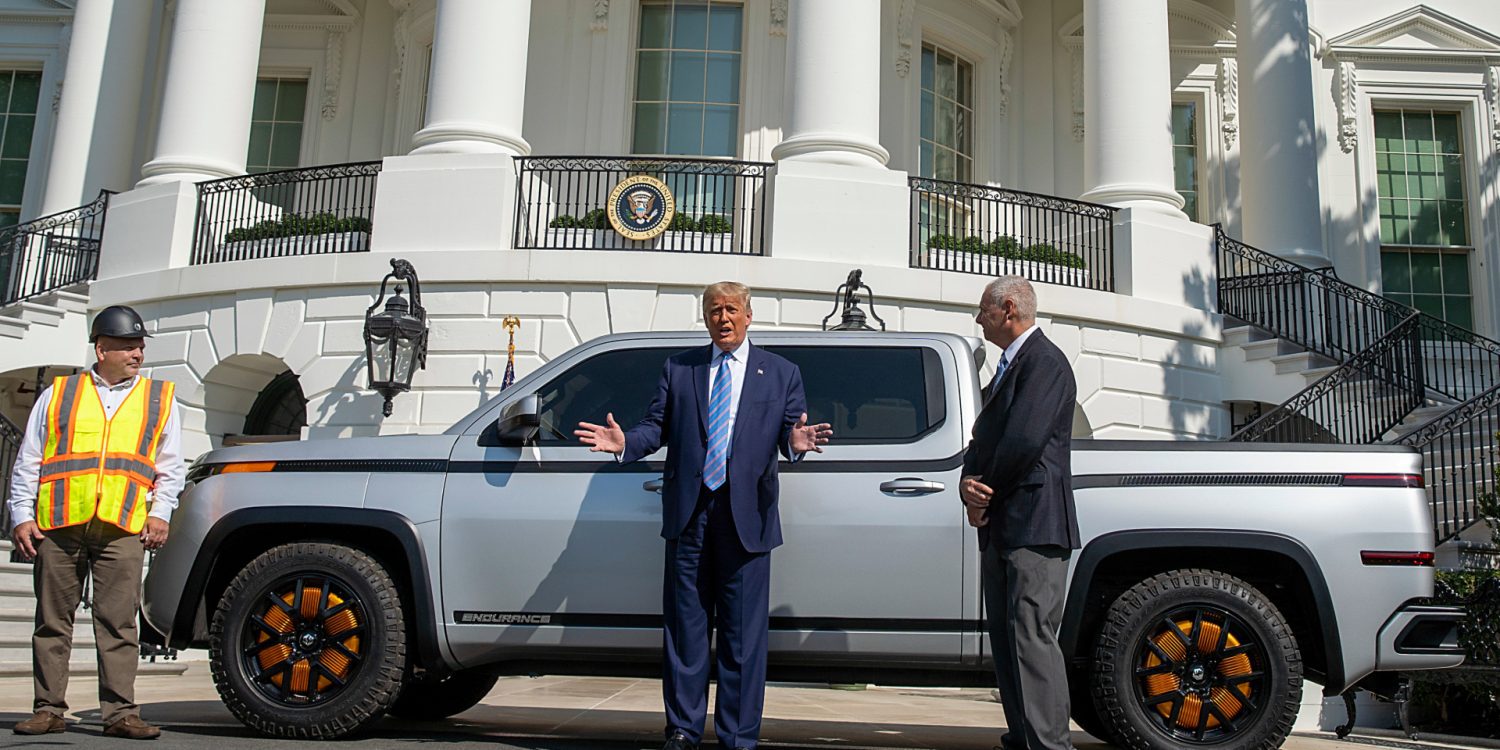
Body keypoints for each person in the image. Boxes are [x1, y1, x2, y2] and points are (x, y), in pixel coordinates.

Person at [575, 281, 832, 750]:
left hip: (746, 519)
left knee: (742, 637)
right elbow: (656, 426)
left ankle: (738, 735)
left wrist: (795, 445)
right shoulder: (680, 368)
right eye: (714, 310)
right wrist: (625, 444)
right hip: (689, 515)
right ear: (705, 317)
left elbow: (789, 432)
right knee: (686, 630)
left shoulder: (780, 373)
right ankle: (683, 729)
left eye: (732, 309)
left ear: (749, 316)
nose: (723, 318)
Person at [7, 305, 183, 740]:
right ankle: (48, 709)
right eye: (127, 347)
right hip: (60, 523)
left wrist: (160, 513)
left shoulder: (159, 399)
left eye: (140, 347)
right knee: (51, 621)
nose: (137, 354)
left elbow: (170, 466)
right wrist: (21, 515)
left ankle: (120, 713)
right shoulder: (59, 393)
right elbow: (30, 458)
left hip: (123, 526)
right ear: (101, 349)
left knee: (119, 623)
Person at [960, 276, 1081, 750]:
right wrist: (966, 484)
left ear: (1008, 309)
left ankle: (1049, 745)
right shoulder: (1012, 366)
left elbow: (1025, 441)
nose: (978, 319)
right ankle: (1024, 739)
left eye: (983, 311)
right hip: (1005, 527)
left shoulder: (1045, 363)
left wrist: (982, 491)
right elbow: (983, 438)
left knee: (1031, 641)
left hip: (1033, 527)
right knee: (1010, 645)